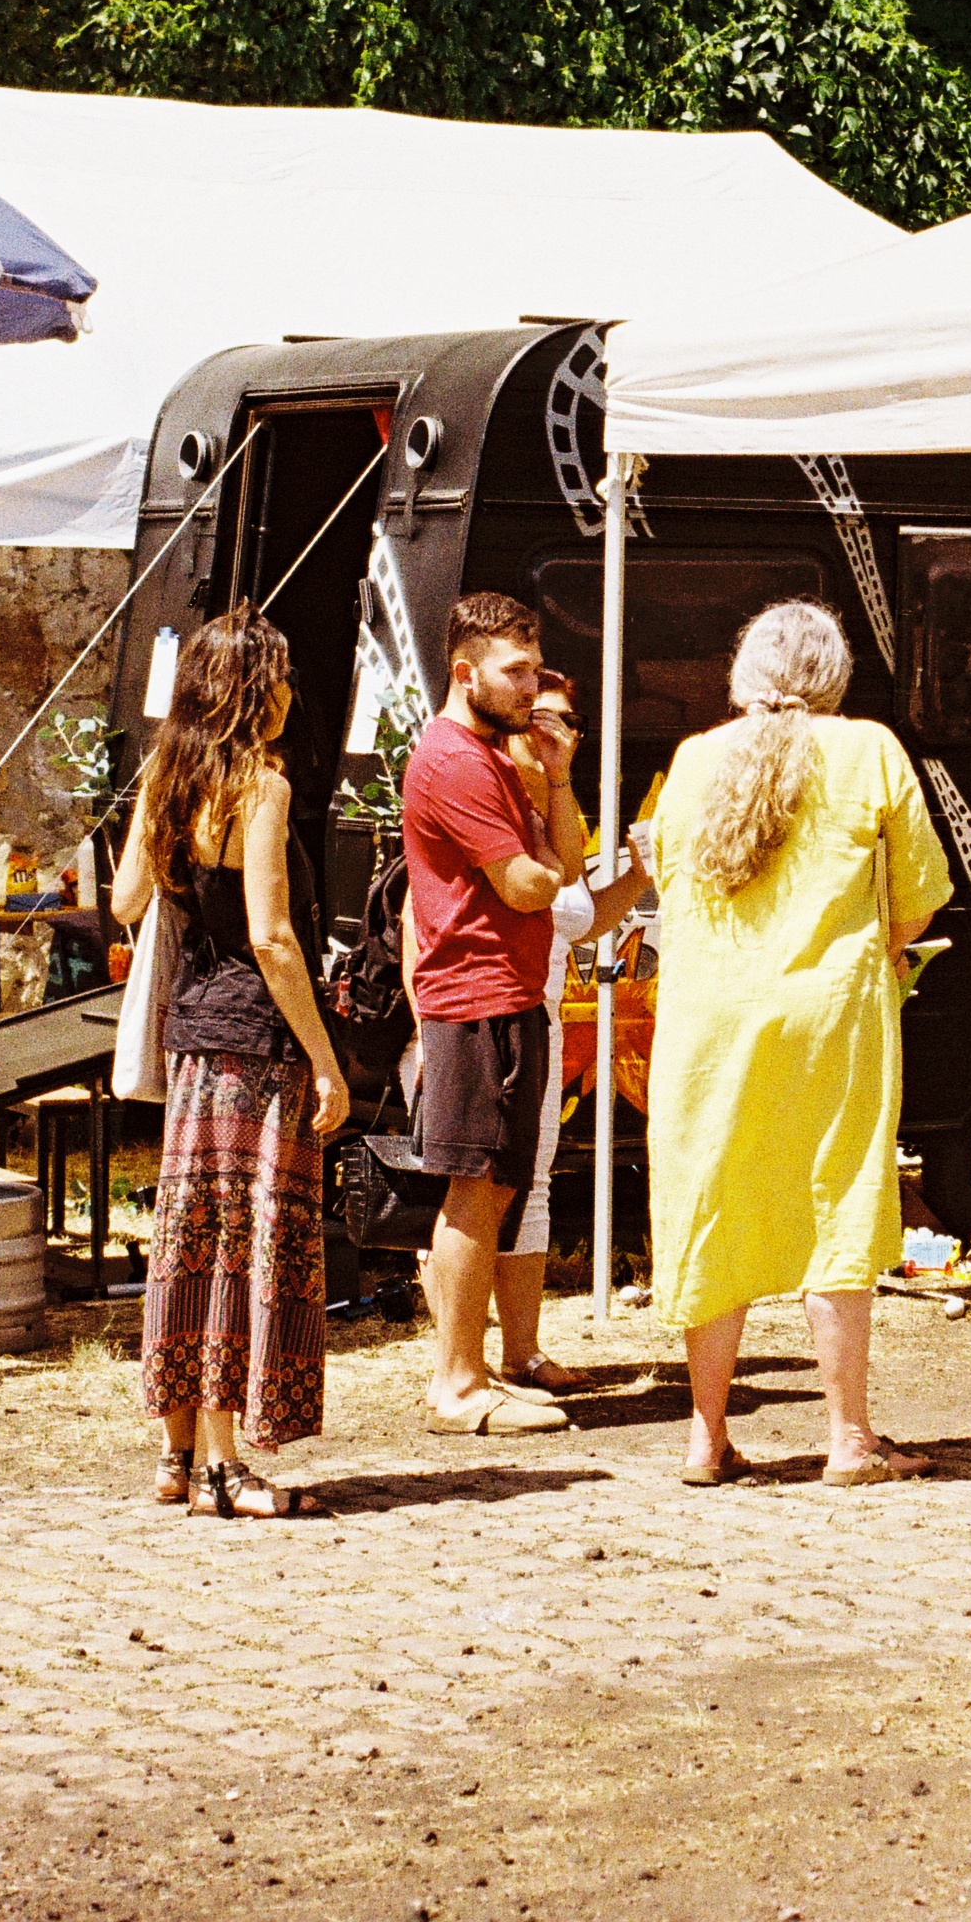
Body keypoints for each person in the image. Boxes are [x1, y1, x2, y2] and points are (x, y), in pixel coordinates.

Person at [647, 601, 955, 1486]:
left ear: (742, 673)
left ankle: (706, 1438)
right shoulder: (869, 748)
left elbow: (670, 885)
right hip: (830, 1013)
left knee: (711, 1202)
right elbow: (919, 898)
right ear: (835, 674)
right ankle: (849, 1439)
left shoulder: (694, 758)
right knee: (840, 1198)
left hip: (707, 1021)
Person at [113, 605, 352, 1516]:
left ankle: (177, 1455)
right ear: (256, 691)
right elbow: (273, 937)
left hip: (192, 1045)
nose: (291, 692)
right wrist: (325, 1060)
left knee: (192, 1240)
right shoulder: (263, 785)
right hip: (256, 1044)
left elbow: (126, 901)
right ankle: (226, 1469)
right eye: (281, 677)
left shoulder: (166, 777)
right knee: (246, 1248)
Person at [402, 592, 577, 1437]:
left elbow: (565, 867)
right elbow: (529, 885)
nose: (531, 686)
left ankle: (470, 1374)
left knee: (494, 1186)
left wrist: (559, 782)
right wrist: (542, 861)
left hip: (506, 993)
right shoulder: (456, 761)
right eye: (515, 671)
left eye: (535, 668)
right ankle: (458, 1384)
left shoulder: (498, 759)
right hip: (477, 997)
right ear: (465, 672)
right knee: (474, 1191)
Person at [488, 668, 650, 1398]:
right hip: (480, 1018)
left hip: (541, 1017)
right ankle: (461, 1362)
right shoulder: (488, 794)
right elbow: (419, 921)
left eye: (567, 721)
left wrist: (640, 875)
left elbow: (580, 920)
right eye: (538, 715)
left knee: (532, 1185)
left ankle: (521, 1354)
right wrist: (429, 1029)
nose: (551, 730)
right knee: (474, 1187)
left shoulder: (556, 808)